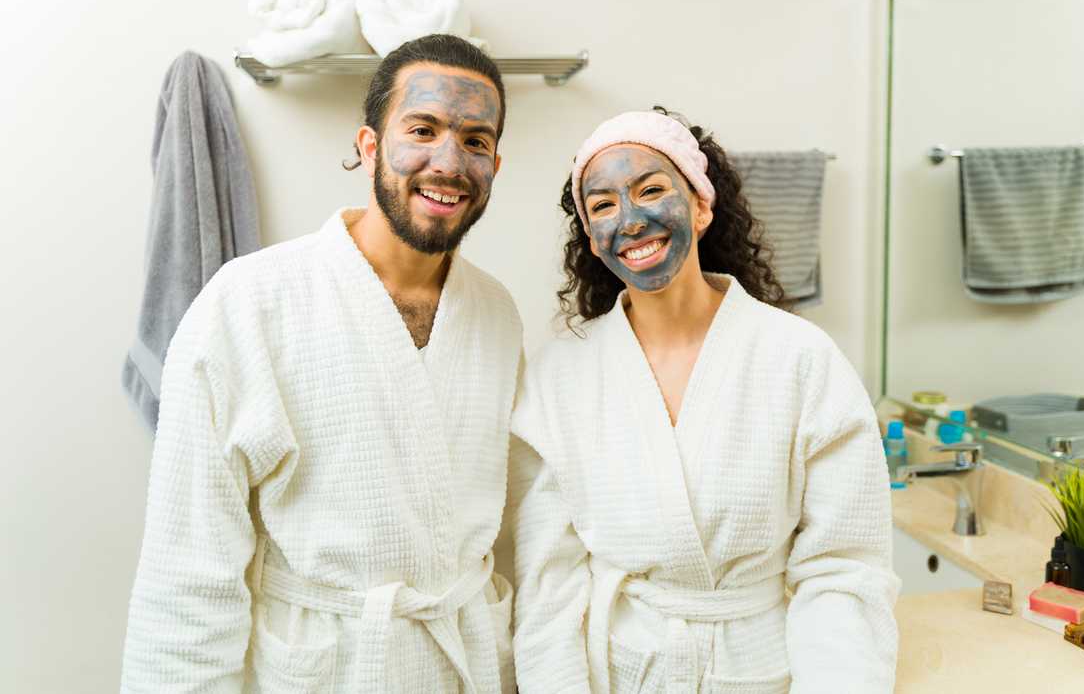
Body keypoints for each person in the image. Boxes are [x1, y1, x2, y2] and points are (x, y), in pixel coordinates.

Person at [121, 34, 521, 693]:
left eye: (476, 141)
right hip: (328, 669)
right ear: (368, 147)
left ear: (495, 165)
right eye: (423, 129)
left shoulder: (497, 313)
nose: (450, 161)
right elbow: (187, 573)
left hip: (465, 663)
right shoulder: (250, 302)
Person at [508, 108, 899, 693]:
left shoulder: (799, 358)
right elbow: (549, 585)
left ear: (701, 203)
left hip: (761, 672)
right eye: (604, 205)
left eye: (651, 190)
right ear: (591, 235)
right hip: (618, 674)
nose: (631, 220)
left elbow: (843, 571)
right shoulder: (559, 375)